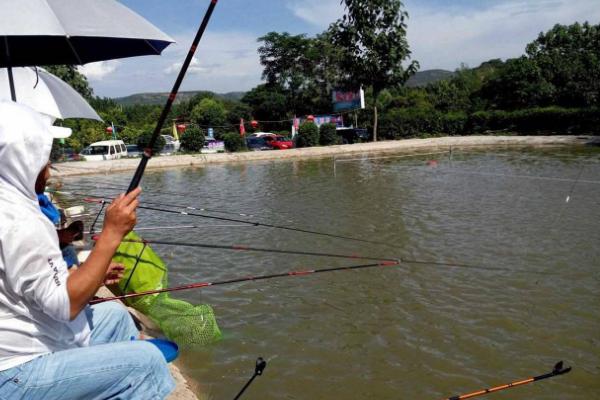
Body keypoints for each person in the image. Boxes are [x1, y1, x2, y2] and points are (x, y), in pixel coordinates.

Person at [0, 101, 175, 399]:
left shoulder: (12, 206)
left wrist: (92, 275)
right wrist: (111, 234)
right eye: (44, 156)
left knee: (117, 317)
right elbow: (64, 306)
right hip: (15, 372)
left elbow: (34, 282)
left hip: (23, 341)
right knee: (146, 364)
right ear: (22, 158)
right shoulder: (20, 222)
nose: (49, 168)